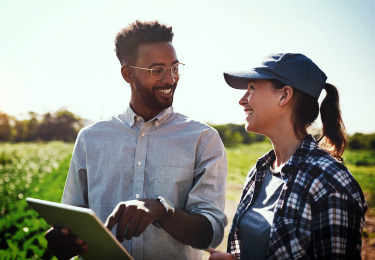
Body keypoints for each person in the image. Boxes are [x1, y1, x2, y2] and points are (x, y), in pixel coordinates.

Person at [45, 20, 228, 260]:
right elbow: (73, 218)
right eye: (157, 70)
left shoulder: (203, 139)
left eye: (174, 67)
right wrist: (63, 241)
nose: (171, 79)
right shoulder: (90, 139)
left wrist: (162, 211)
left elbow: (210, 234)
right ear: (127, 73)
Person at [209, 53, 367, 259]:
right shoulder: (259, 171)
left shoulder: (331, 184)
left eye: (251, 88)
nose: (242, 100)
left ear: (284, 95)